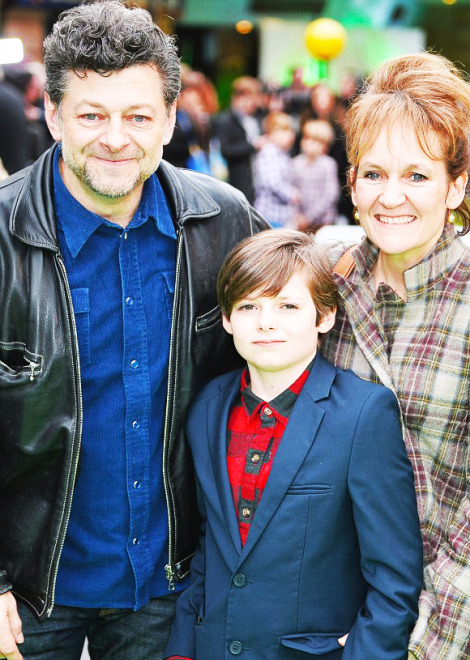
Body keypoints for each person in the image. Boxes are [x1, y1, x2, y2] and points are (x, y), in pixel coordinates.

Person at [0, 2, 268, 659]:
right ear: (54, 115)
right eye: (92, 115)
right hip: (26, 592)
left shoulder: (224, 222)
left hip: (166, 587)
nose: (116, 137)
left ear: (171, 120)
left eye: (138, 116)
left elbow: (290, 366)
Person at [164, 229, 423, 660]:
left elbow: (393, 577)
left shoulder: (362, 414)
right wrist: (182, 651)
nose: (267, 322)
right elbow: (210, 547)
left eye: (287, 306)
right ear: (227, 319)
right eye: (249, 306)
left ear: (323, 317)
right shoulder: (207, 407)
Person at [322, 52, 470, 659]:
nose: (390, 197)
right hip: (345, 616)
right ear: (351, 184)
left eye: (417, 176)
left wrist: (421, 642)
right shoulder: (331, 288)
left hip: (459, 624)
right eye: (372, 174)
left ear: (456, 187)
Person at [212, 76, 263, 203]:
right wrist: (252, 145)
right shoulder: (225, 120)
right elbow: (226, 150)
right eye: (250, 98)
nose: (254, 103)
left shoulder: (255, 118)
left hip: (254, 180)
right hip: (235, 180)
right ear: (238, 98)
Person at [291, 119, 339, 231]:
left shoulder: (328, 164)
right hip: (300, 222)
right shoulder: (295, 163)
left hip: (323, 222)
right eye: (307, 139)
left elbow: (330, 195)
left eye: (316, 141)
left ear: (325, 146)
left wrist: (309, 217)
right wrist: (297, 216)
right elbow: (293, 192)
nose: (309, 144)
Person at [253, 111, 299, 228]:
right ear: (271, 133)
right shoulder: (269, 152)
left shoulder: (282, 153)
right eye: (284, 131)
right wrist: (292, 194)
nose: (290, 135)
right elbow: (272, 182)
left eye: (290, 131)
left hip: (282, 216)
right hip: (269, 215)